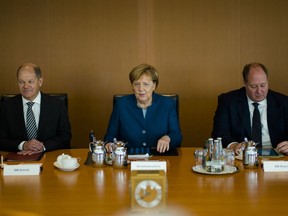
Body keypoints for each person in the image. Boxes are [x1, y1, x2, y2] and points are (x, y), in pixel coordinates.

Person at [211, 62, 288, 154]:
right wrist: (234, 145)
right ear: (245, 83)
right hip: (241, 157)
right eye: (253, 86)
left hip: (277, 156)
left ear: (268, 81)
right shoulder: (228, 101)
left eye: (263, 85)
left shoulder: (283, 102)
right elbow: (219, 132)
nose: (259, 91)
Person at [104, 63, 182, 153]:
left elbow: (177, 136)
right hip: (129, 158)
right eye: (136, 84)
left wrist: (167, 138)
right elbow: (110, 136)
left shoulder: (167, 104)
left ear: (154, 86)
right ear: (132, 86)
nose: (141, 89)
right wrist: (109, 144)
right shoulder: (121, 104)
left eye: (146, 84)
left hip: (159, 156)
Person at [0, 63, 72, 154]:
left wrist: (43, 147)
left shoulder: (57, 105)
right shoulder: (6, 107)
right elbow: (1, 139)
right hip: (18, 160)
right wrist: (23, 145)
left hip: (49, 157)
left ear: (40, 81)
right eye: (21, 82)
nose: (26, 86)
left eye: (30, 81)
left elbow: (65, 136)